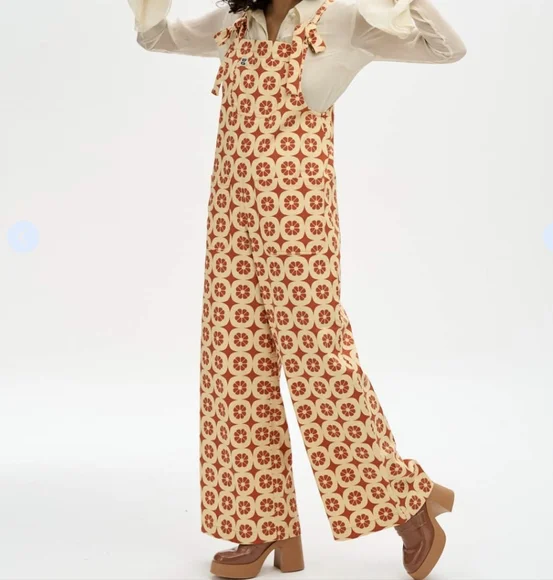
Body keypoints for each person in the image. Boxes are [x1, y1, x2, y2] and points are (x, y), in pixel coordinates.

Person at [126, 0, 466, 578]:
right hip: (231, 218)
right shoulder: (234, 24)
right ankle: (260, 524)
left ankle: (408, 502)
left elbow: (446, 49)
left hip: (298, 222)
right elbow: (155, 36)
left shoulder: (343, 20)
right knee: (233, 363)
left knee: (320, 364)